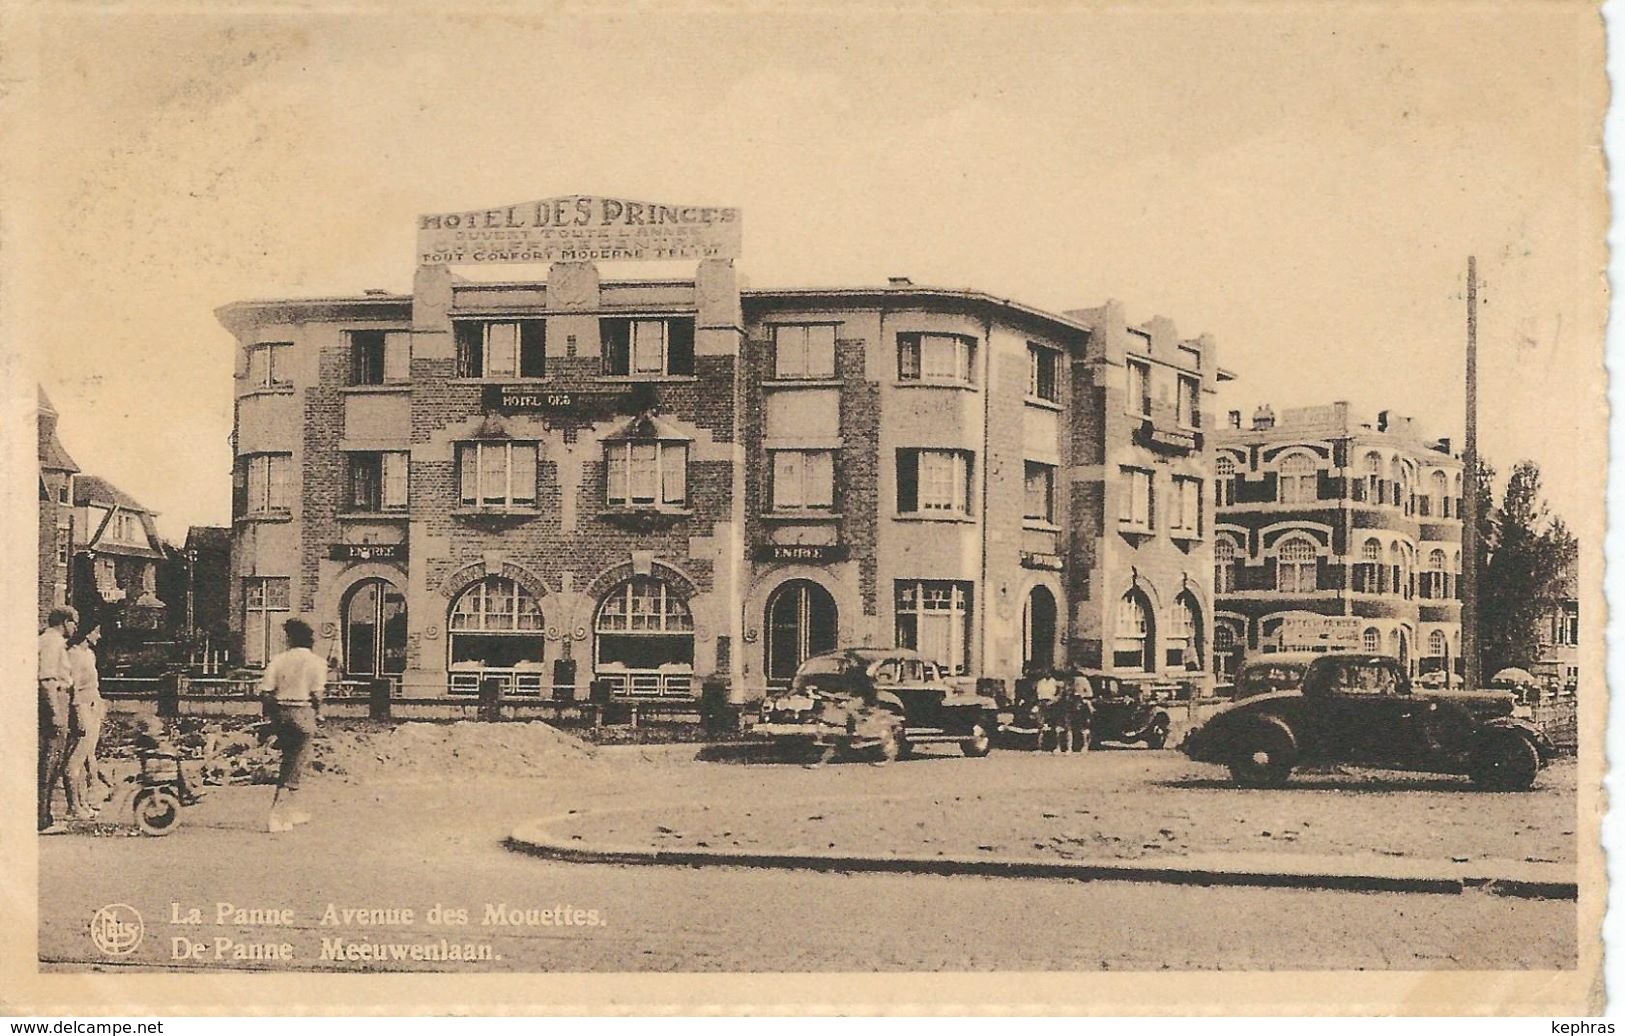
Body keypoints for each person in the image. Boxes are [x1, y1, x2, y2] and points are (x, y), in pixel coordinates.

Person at [257, 618, 327, 832]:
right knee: (295, 765)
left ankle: (292, 811)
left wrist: (272, 716)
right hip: (303, 712)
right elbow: (317, 694)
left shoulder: (278, 660)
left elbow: (265, 692)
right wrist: (320, 713)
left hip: (281, 714)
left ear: (290, 639)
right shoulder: (317, 662)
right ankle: (277, 815)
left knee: (289, 761)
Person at [65, 624, 113, 820]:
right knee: (76, 757)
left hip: (93, 707)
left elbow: (94, 684)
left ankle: (83, 802)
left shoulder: (89, 654)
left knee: (88, 756)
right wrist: (77, 714)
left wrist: (100, 706)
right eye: (96, 631)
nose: (99, 635)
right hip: (81, 708)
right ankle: (73, 806)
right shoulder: (74, 654)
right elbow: (73, 687)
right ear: (86, 632)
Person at [37, 606, 77, 833]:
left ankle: (46, 815)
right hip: (56, 700)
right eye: (73, 623)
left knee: (51, 761)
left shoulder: (49, 641)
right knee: (49, 762)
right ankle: (41, 819)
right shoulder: (52, 642)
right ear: (64, 622)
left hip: (58, 699)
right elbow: (47, 679)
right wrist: (54, 713)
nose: (74, 629)